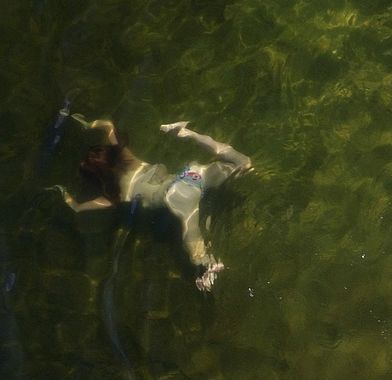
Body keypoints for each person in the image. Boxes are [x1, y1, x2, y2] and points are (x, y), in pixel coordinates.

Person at [51, 116, 253, 291]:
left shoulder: (114, 196)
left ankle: (211, 271)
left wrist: (62, 193)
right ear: (112, 153)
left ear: (98, 177)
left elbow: (77, 207)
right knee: (244, 165)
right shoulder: (127, 156)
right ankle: (186, 133)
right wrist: (88, 123)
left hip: (176, 199)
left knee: (198, 254)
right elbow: (109, 126)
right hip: (190, 175)